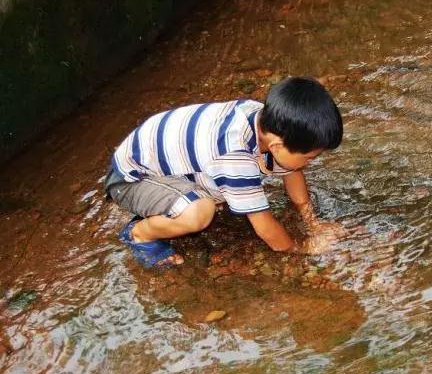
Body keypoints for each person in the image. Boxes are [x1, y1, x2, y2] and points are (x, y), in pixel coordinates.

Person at [104, 76, 345, 267]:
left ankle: (174, 203)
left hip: (167, 166)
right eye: (311, 157)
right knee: (199, 212)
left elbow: (292, 169)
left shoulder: (263, 118)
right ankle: (140, 233)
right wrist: (302, 247)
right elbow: (264, 227)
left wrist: (312, 223)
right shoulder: (234, 155)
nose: (311, 162)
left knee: (265, 173)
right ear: (276, 146)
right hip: (131, 180)